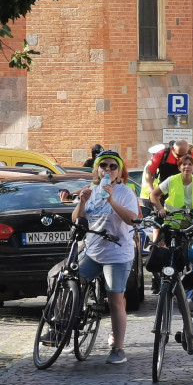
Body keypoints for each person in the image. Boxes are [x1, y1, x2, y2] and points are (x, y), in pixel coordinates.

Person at [71, 150, 140, 363]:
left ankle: (118, 348)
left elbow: (133, 220)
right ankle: (63, 323)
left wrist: (111, 200)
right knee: (69, 279)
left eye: (112, 166)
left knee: (115, 300)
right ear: (97, 170)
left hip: (117, 253)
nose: (107, 170)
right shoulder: (90, 189)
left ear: (119, 172)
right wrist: (82, 202)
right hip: (93, 251)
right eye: (103, 166)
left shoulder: (125, 192)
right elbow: (77, 219)